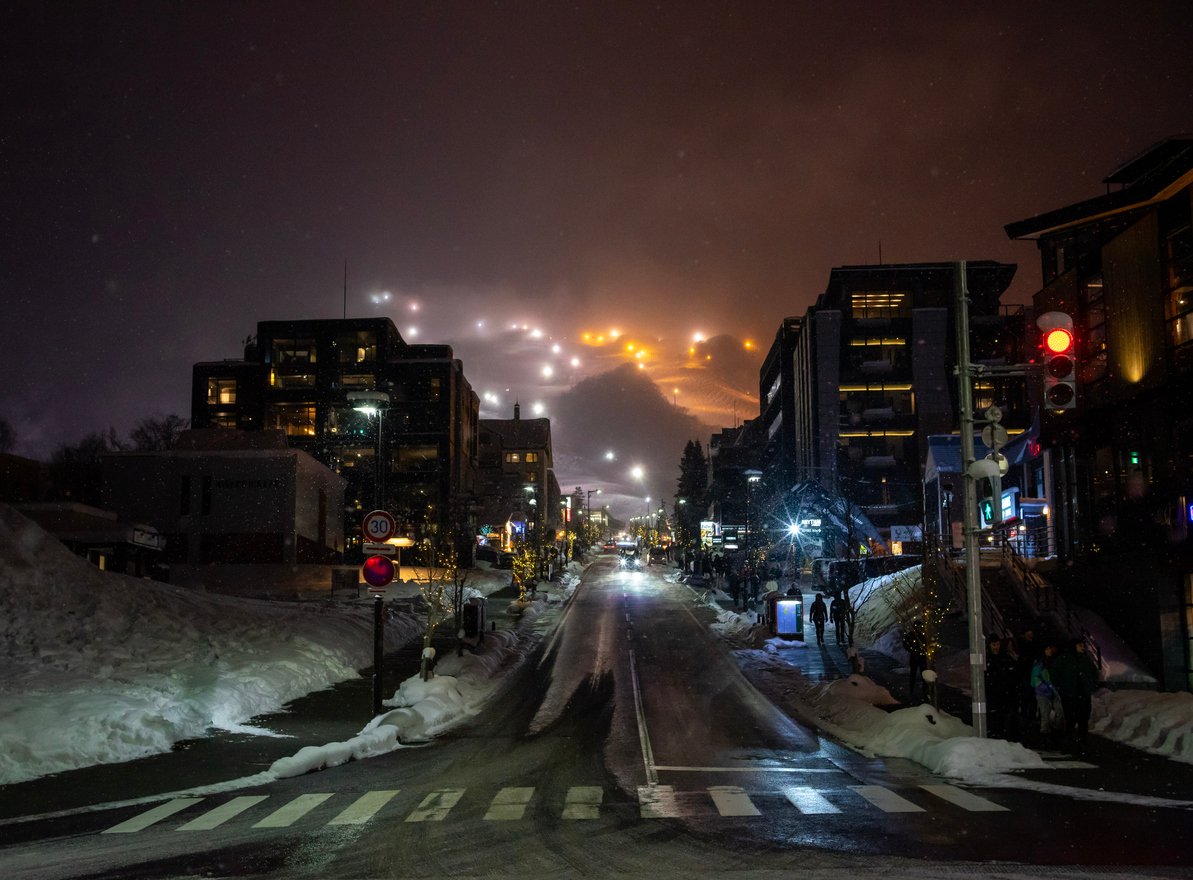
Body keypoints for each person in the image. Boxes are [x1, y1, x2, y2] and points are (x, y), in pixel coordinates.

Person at [1051, 639, 1100, 751]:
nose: (1083, 648)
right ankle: (1071, 741)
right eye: (1080, 645)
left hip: (1082, 694)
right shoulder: (1064, 659)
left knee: (1083, 719)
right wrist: (1062, 688)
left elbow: (1094, 674)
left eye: (1083, 646)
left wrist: (1091, 685)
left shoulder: (1085, 659)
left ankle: (1081, 741)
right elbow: (1055, 675)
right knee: (1071, 719)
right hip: (1070, 695)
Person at [1031, 643, 1065, 745]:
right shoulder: (1040, 663)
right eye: (1047, 649)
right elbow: (1034, 679)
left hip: (1050, 690)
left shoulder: (1049, 662)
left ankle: (1051, 734)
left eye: (1050, 648)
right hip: (1044, 691)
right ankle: (1046, 736)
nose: (1050, 651)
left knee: (1057, 712)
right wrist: (1045, 687)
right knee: (1046, 714)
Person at [985, 635, 1018, 740]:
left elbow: (1013, 675)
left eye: (997, 644)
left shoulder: (1005, 658)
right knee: (995, 716)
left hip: (1005, 693)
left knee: (1004, 715)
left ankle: (1004, 734)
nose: (996, 647)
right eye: (994, 645)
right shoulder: (987, 660)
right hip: (993, 693)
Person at [902, 621, 928, 702]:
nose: (920, 628)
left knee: (924, 675)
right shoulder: (910, 635)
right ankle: (911, 691)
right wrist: (913, 651)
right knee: (913, 674)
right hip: (914, 657)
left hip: (922, 657)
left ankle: (925, 692)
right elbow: (905, 644)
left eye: (920, 626)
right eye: (918, 626)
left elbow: (927, 644)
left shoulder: (923, 635)